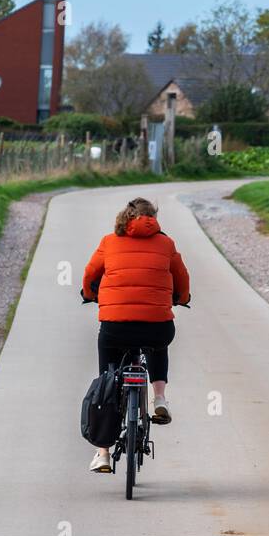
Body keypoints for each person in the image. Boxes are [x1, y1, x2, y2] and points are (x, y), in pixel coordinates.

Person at [81, 198, 190, 473]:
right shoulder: (166, 243)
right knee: (158, 343)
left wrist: (89, 294)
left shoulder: (109, 241)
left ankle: (103, 453)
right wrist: (182, 297)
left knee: (107, 378)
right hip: (156, 326)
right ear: (153, 218)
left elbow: (91, 274)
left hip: (115, 327)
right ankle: (160, 399)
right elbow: (182, 277)